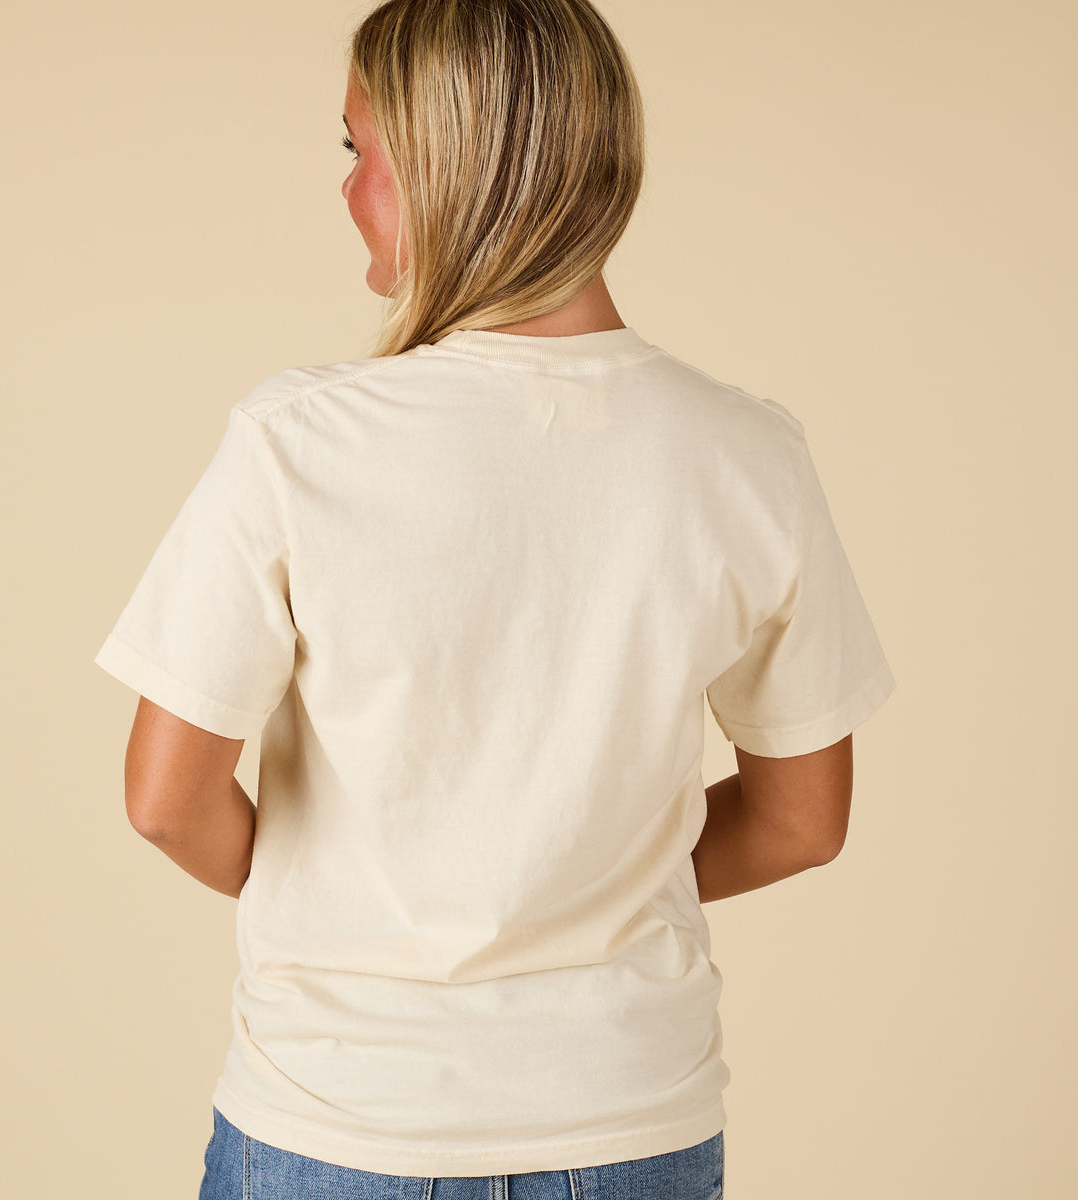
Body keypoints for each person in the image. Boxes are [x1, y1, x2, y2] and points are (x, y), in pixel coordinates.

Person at [93, 1, 897, 1197]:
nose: (348, 187)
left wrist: (339, 900)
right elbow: (801, 822)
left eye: (359, 149)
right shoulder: (748, 456)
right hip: (632, 1125)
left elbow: (166, 803)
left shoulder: (297, 443)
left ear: (447, 172)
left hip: (336, 1121)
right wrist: (586, 880)